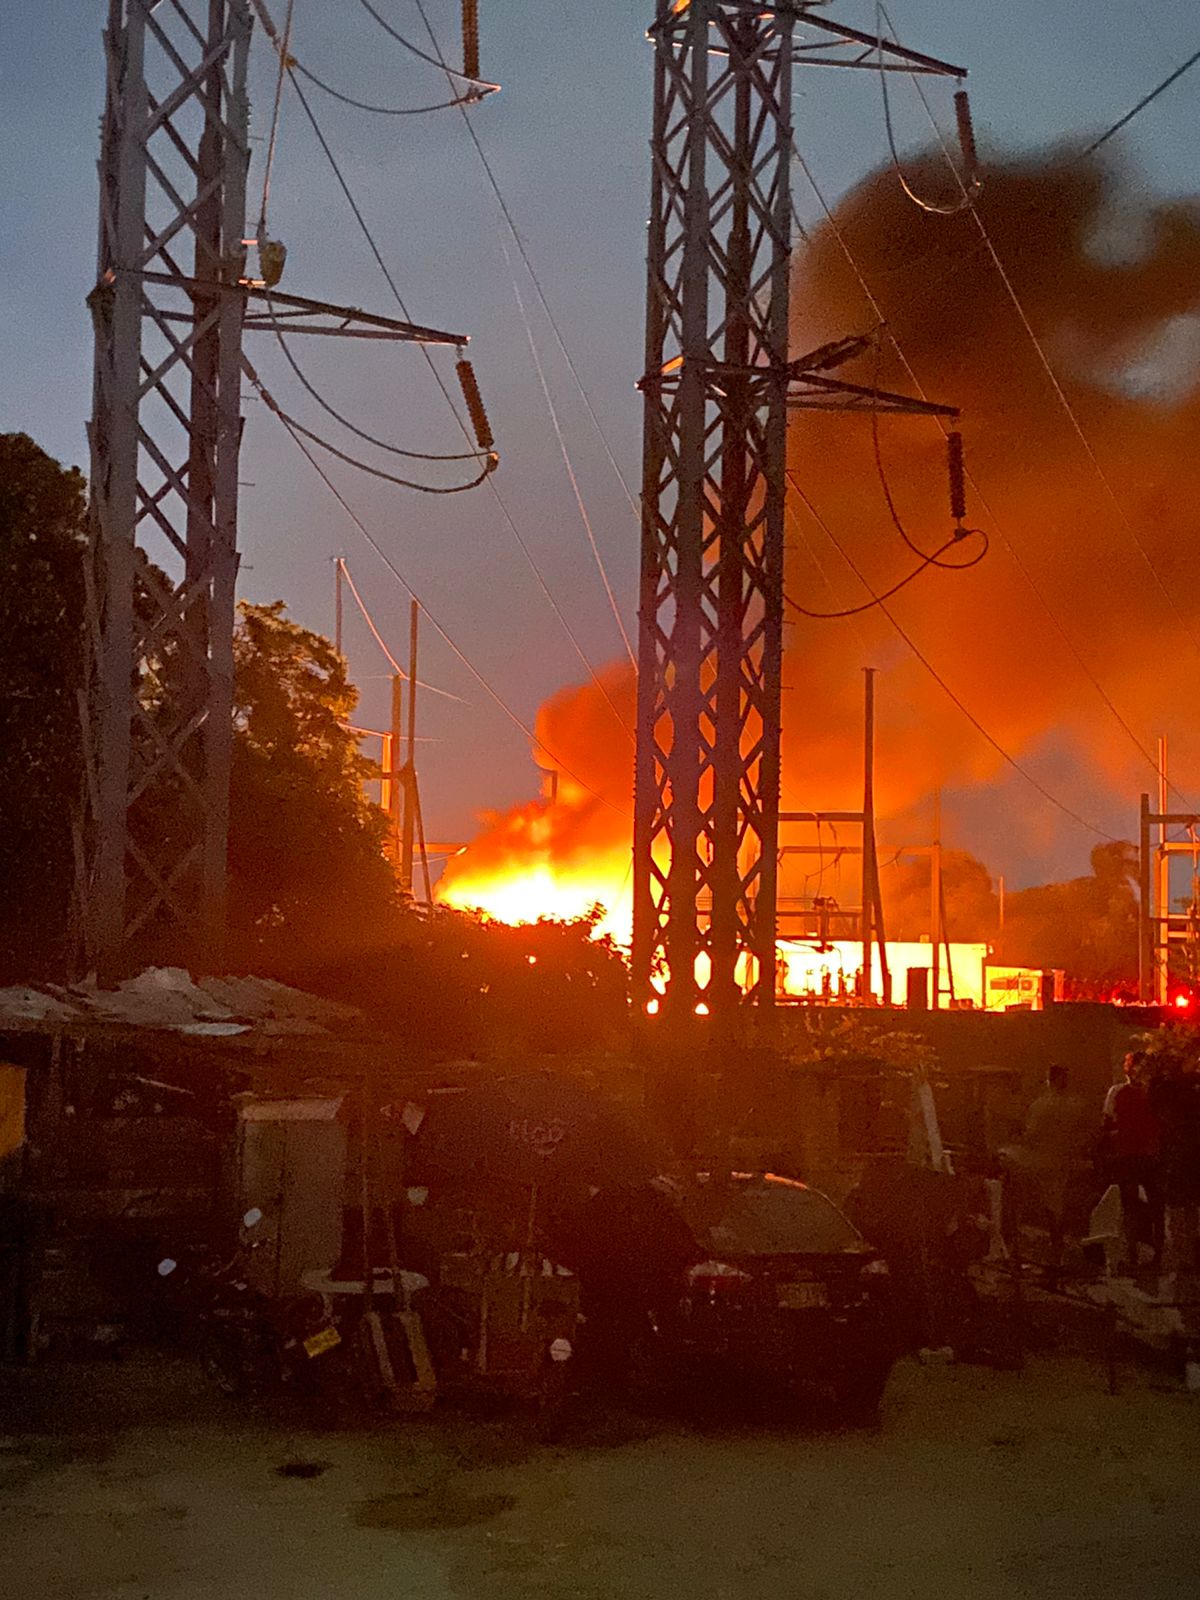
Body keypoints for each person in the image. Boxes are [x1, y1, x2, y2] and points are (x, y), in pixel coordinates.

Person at [1001, 1064, 1095, 1272]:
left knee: (1019, 1195)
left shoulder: (1040, 1105)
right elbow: (1087, 1134)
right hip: (1063, 1162)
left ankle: (1015, 1240)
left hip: (1038, 1162)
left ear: (1048, 1080)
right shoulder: (1077, 1105)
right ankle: (1057, 1242)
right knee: (1056, 1204)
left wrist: (1017, 1136)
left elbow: (1031, 1136)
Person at [1101, 1051, 1163, 1273]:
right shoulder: (1153, 1093)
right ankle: (1153, 1254)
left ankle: (1135, 1254)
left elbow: (1108, 1122)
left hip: (1131, 1154)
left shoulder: (1118, 1092)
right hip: (1147, 1154)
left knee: (1133, 1206)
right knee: (1153, 1204)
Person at [1147, 1051, 1200, 1278]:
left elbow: (1154, 1103)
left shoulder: (1172, 1092)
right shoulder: (1180, 1091)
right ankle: (1188, 1255)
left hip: (1182, 1158)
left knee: (1181, 1210)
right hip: (1185, 1157)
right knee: (1186, 1210)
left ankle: (1187, 1256)